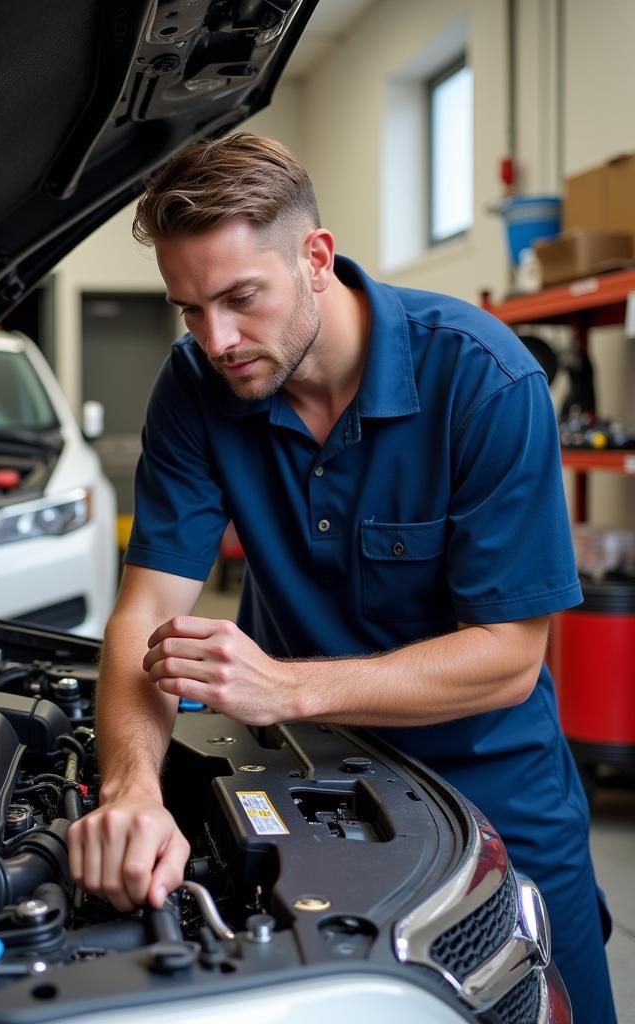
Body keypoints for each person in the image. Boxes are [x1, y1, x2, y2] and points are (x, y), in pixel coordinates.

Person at [66, 133, 616, 1023]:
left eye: (242, 298)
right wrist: (131, 793)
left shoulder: (483, 380)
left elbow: (510, 657)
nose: (219, 339)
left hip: (498, 791)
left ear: (315, 258)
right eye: (189, 311)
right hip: (306, 781)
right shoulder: (196, 385)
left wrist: (284, 685)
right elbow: (145, 614)